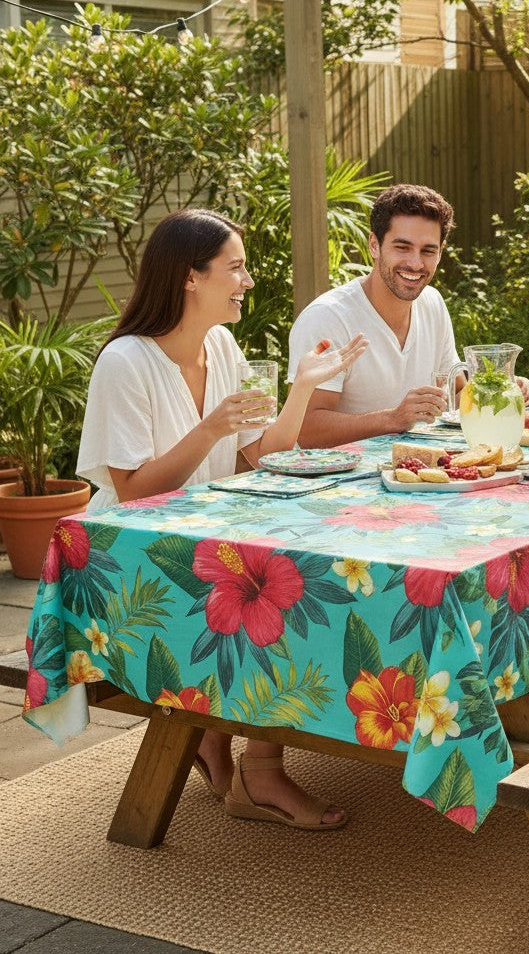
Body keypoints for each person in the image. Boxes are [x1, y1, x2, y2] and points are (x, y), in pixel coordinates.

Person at [78, 208, 368, 829]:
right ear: (190, 277)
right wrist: (209, 426)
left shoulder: (221, 344)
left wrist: (300, 389)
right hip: (127, 556)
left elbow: (259, 458)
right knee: (277, 595)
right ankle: (257, 775)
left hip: (204, 540)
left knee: (302, 575)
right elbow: (132, 493)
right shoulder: (126, 361)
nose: (247, 281)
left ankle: (231, 748)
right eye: (235, 268)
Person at [288, 183, 529, 446]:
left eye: (428, 251)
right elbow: (306, 430)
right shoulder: (328, 318)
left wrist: (497, 391)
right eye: (402, 247)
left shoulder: (432, 303)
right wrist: (392, 419)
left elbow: (455, 396)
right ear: (374, 245)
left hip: (414, 471)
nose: (415, 264)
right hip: (336, 481)